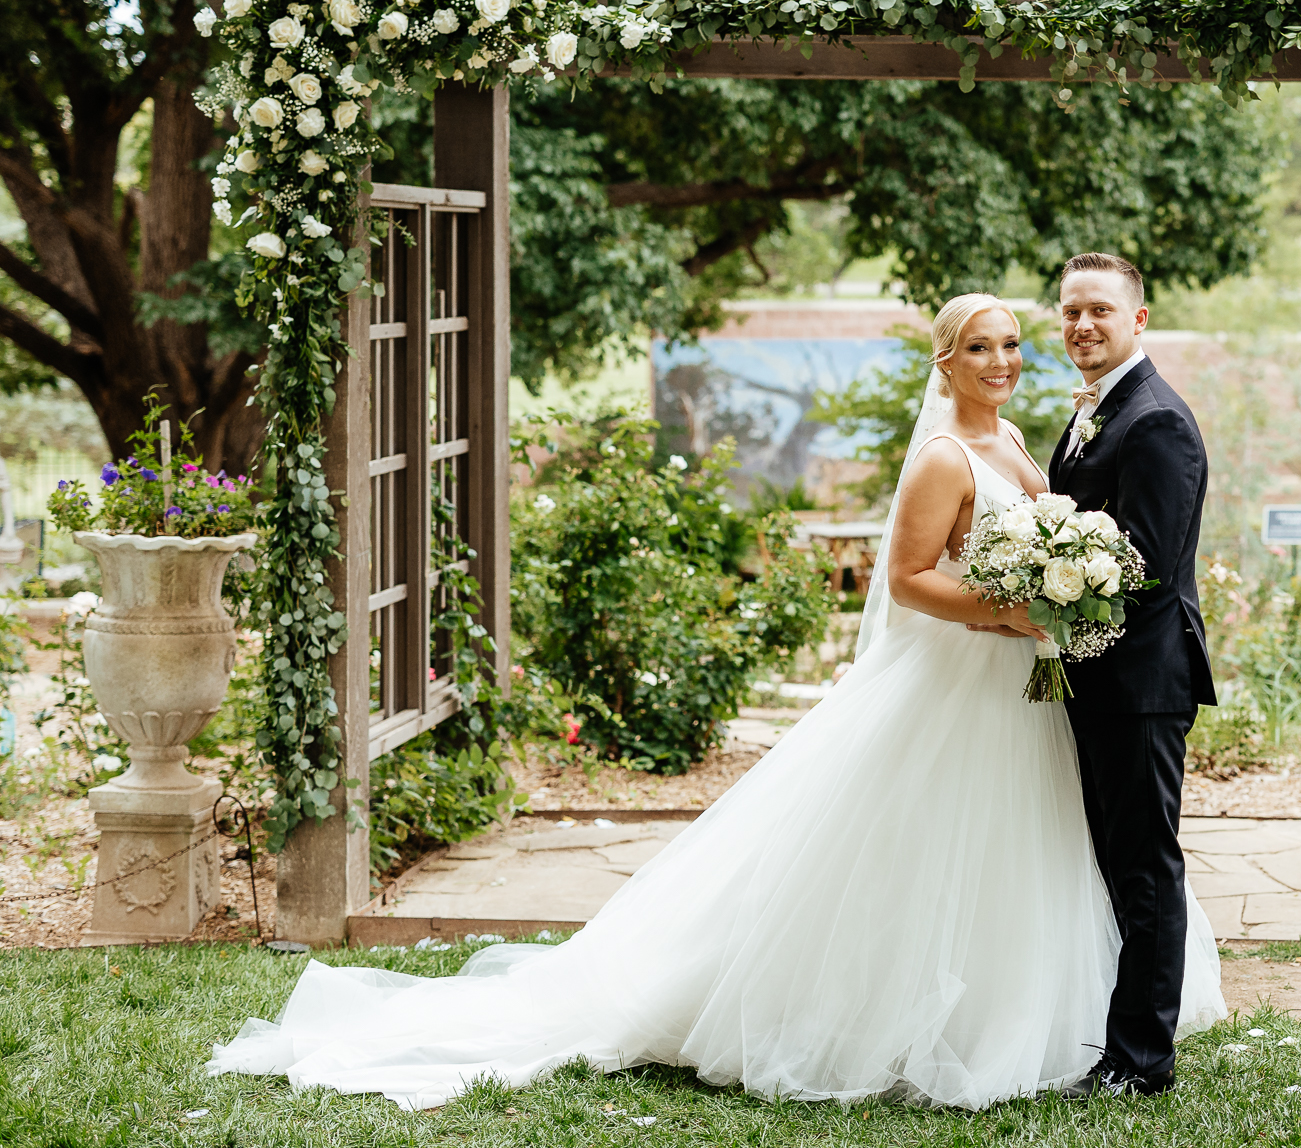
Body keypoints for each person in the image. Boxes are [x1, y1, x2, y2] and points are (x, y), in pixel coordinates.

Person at [205, 292, 1224, 1111]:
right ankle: (883, 1018)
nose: (1002, 360)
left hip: (1022, 693)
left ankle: (1013, 1018)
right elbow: (912, 579)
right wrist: (1009, 616)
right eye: (979, 347)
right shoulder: (942, 458)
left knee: (1016, 853)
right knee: (917, 850)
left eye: (1010, 344)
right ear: (943, 362)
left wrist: (1040, 604)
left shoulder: (1023, 448)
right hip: (962, 679)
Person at [1046, 253, 1216, 1098]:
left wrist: (1046, 590)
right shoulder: (1094, 412)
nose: (1083, 324)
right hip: (1095, 678)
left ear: (1137, 319)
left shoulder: (1155, 420)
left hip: (1141, 681)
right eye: (1070, 309)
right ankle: (1118, 1036)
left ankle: (1142, 1060)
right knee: (1118, 861)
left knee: (1146, 865)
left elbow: (1143, 564)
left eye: (1100, 310)